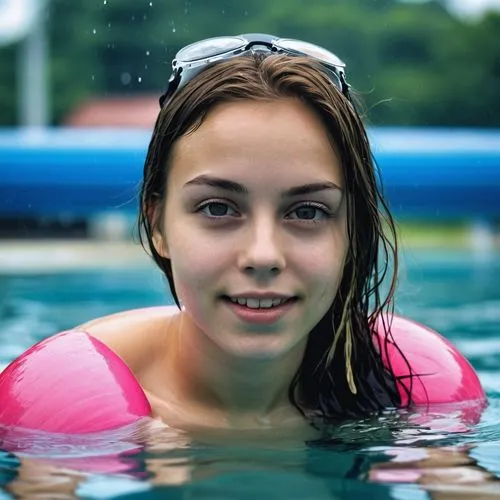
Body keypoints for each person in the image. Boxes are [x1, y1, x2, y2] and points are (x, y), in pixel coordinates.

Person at [0, 34, 485, 436]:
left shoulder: (412, 397)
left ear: (353, 232)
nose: (263, 255)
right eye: (217, 207)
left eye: (308, 211)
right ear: (157, 224)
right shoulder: (61, 407)